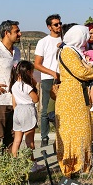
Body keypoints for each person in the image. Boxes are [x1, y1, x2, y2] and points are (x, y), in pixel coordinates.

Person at [55, 25, 93, 177]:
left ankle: (82, 165)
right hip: (71, 98)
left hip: (79, 97)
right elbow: (82, 71)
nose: (87, 39)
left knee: (83, 130)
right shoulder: (67, 52)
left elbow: (89, 62)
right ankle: (71, 166)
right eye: (85, 36)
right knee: (71, 132)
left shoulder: (76, 51)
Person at [9, 60, 45, 172]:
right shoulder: (27, 86)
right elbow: (36, 99)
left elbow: (14, 103)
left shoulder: (14, 85)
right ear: (28, 72)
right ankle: (32, 165)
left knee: (17, 140)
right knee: (30, 141)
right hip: (27, 110)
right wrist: (35, 86)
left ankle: (14, 163)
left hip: (18, 111)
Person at [34, 14, 62, 147]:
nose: (59, 26)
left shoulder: (65, 40)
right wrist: (52, 73)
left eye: (60, 23)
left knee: (62, 109)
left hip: (64, 79)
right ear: (49, 27)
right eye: (56, 24)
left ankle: (61, 137)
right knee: (46, 110)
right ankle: (44, 139)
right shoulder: (43, 42)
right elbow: (37, 64)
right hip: (48, 79)